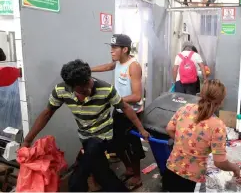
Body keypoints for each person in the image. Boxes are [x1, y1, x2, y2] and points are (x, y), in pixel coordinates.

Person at [22, 59, 150, 192]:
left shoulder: (106, 89)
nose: (88, 88)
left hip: (104, 135)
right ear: (71, 87)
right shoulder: (61, 91)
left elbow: (125, 107)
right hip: (84, 136)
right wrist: (27, 140)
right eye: (82, 88)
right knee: (99, 168)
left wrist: (141, 129)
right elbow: (47, 113)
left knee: (80, 175)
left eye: (88, 82)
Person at [163, 79, 241, 192]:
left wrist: (183, 144)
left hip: (170, 170)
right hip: (191, 180)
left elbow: (169, 129)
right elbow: (219, 162)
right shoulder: (217, 125)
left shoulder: (185, 108)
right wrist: (235, 168)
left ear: (201, 94)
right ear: (221, 101)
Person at [91, 34, 144, 190]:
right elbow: (108, 66)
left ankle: (137, 176)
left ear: (125, 49)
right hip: (119, 110)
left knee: (133, 147)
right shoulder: (118, 62)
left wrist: (112, 99)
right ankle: (128, 169)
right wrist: (88, 70)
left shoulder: (133, 66)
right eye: (111, 48)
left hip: (132, 113)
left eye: (114, 48)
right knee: (117, 144)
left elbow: (136, 96)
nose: (111, 51)